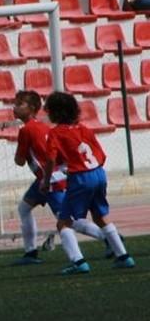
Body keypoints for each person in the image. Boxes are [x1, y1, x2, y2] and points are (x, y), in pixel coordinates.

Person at [40, 92, 135, 275]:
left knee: (64, 223)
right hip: (98, 173)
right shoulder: (84, 129)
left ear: (56, 113)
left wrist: (46, 181)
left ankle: (78, 262)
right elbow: (101, 154)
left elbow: (51, 160)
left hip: (80, 178)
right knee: (101, 216)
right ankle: (124, 257)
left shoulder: (55, 133)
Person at [11, 90, 104, 266]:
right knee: (24, 208)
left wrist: (21, 157)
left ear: (31, 108)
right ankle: (30, 252)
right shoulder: (44, 127)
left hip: (50, 181)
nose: (14, 107)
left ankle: (107, 237)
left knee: (68, 221)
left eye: (19, 104)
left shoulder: (26, 130)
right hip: (48, 178)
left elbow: (20, 161)